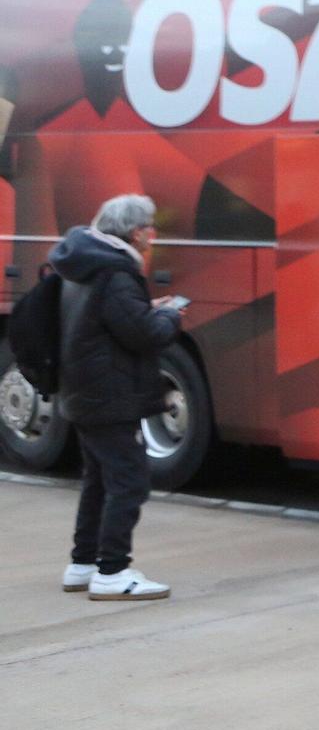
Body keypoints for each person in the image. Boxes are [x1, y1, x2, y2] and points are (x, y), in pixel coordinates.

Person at [52, 195, 184, 600]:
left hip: (84, 391)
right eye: (149, 227)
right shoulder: (117, 272)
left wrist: (146, 308)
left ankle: (82, 564)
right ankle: (112, 570)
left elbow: (110, 319)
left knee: (98, 481)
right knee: (129, 482)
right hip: (110, 396)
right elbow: (145, 334)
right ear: (135, 232)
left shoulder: (85, 263)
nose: (153, 234)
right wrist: (169, 316)